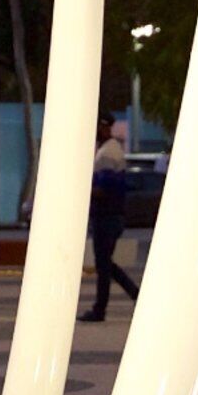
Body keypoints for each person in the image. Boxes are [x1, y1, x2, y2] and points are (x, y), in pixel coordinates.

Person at [82, 116, 139, 321]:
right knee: (105, 263)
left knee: (103, 265)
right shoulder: (111, 150)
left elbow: (104, 189)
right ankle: (134, 294)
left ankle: (100, 309)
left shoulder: (107, 154)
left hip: (106, 216)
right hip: (111, 215)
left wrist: (82, 191)